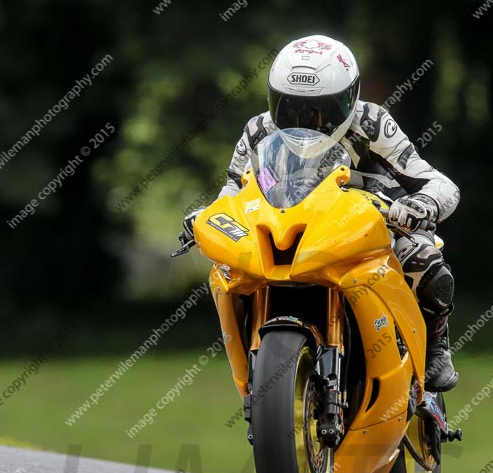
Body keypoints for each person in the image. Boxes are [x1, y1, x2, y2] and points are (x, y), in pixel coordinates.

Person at [183, 35, 459, 392]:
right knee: (230, 269)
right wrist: (206, 216)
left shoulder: (372, 123)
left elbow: (438, 183)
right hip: (293, 223)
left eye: (319, 111)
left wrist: (420, 205)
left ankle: (436, 345)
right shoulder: (258, 130)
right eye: (290, 108)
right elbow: (233, 191)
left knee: (422, 255)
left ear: (349, 99)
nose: (304, 122)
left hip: (374, 222)